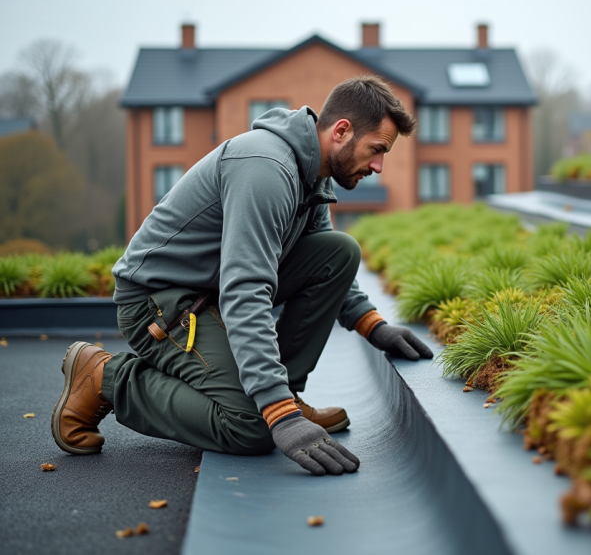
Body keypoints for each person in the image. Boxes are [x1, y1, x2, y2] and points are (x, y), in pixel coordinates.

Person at [50, 75, 433, 476]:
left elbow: (322, 252)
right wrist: (276, 413)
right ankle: (106, 377)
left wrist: (372, 325)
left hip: (206, 294)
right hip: (160, 305)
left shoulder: (312, 172)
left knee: (340, 251)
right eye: (377, 150)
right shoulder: (266, 169)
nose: (378, 166)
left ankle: (282, 394)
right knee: (252, 427)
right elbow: (246, 289)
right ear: (341, 131)